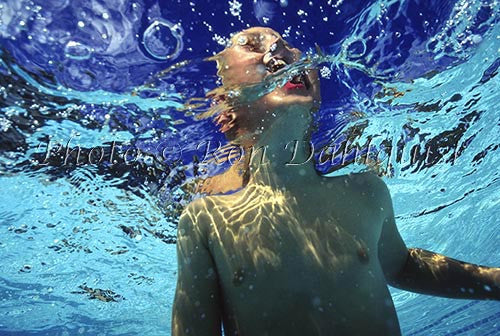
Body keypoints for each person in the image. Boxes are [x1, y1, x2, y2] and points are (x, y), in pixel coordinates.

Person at [171, 27, 499, 336]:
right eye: (253, 46)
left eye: (288, 48)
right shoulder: (206, 222)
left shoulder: (366, 192)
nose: (278, 52)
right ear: (226, 109)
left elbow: (402, 265)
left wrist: (494, 281)